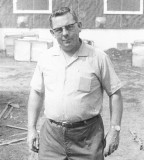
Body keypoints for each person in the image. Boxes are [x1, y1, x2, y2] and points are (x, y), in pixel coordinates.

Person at [27, 7, 123, 160]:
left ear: (79, 26)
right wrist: (31, 129)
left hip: (88, 137)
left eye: (69, 27)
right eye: (58, 29)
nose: (65, 33)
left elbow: (115, 93)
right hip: (51, 138)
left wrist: (114, 130)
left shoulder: (98, 58)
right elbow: (37, 93)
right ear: (52, 33)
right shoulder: (46, 58)